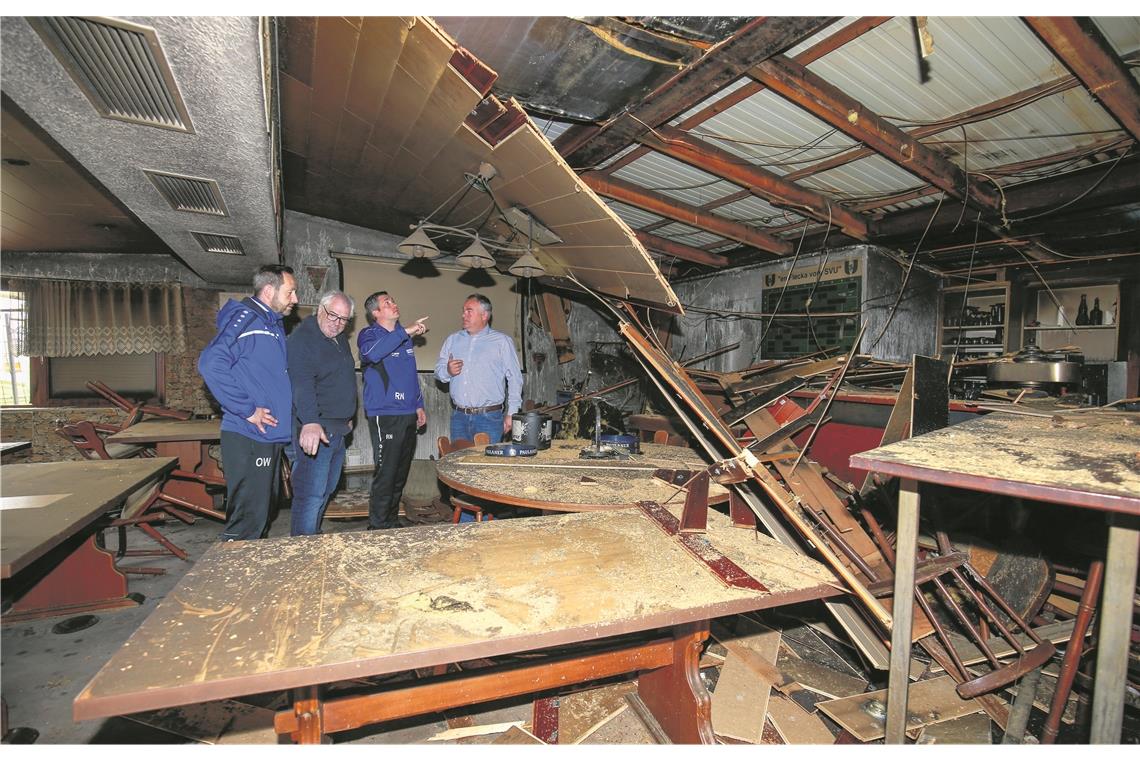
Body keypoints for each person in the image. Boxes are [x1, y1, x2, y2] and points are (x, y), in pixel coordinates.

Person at [198, 264, 298, 541]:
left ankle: (250, 575)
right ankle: (229, 579)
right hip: (250, 434)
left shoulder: (271, 323)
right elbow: (210, 363)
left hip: (269, 435)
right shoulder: (246, 319)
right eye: (290, 292)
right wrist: (247, 409)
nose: (295, 299)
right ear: (269, 291)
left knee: (263, 511)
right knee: (247, 521)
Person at [286, 290, 357, 536]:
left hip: (337, 429)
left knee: (325, 491)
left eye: (343, 319)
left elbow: (339, 379)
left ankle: (312, 539)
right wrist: (310, 422)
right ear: (320, 309)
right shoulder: (303, 339)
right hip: (317, 429)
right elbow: (302, 384)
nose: (336, 323)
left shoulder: (339, 338)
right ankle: (302, 552)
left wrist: (347, 414)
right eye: (332, 315)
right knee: (310, 495)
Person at [358, 291, 428, 530]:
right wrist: (405, 331)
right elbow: (371, 354)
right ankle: (377, 527)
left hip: (408, 412)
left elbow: (410, 374)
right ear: (375, 312)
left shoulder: (403, 338)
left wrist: (418, 404)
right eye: (387, 303)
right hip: (385, 414)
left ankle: (389, 520)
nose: (394, 304)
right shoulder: (369, 335)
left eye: (393, 300)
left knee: (400, 472)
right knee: (386, 472)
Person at [434, 294, 522, 443]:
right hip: (459, 417)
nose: (463, 315)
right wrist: (447, 371)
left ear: (484, 315)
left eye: (469, 311)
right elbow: (438, 372)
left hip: (489, 418)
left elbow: (515, 378)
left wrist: (512, 413)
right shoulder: (453, 340)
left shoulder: (502, 342)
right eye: (463, 311)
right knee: (459, 464)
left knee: (486, 464)